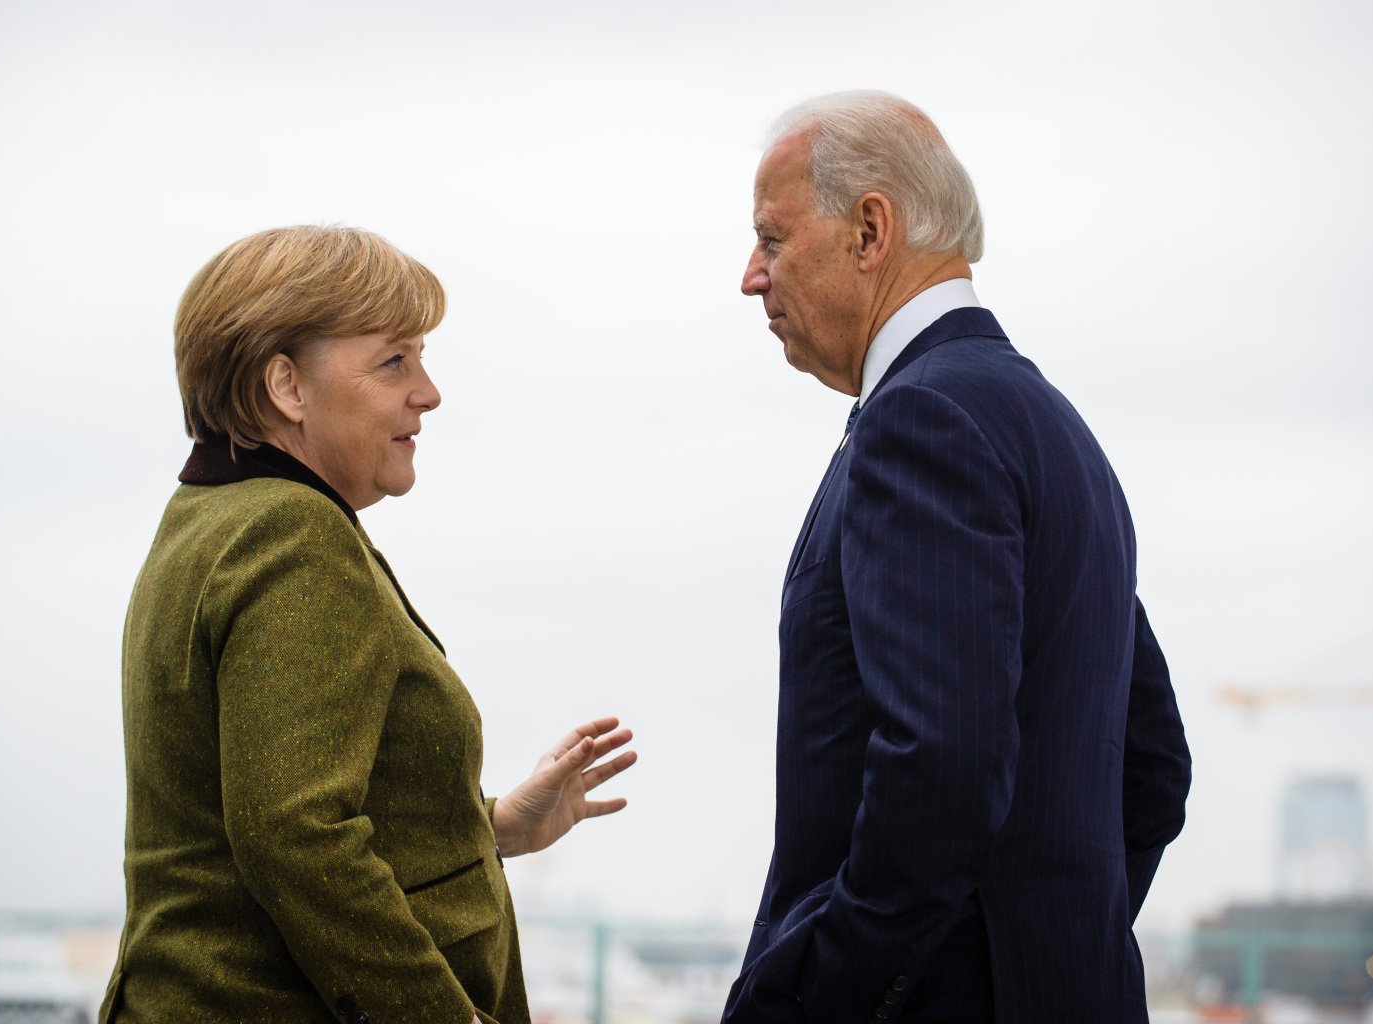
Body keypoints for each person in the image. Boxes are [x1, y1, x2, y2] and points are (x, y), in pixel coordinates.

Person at [720, 92, 1191, 1023]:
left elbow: (940, 765)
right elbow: (1150, 765)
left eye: (771, 239)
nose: (749, 276)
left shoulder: (921, 419)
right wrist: (1052, 937)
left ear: (869, 229)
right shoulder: (1054, 429)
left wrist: (826, 992)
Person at [101, 225, 636, 1024]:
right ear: (286, 386)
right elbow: (298, 836)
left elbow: (264, 803)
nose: (428, 391)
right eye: (395, 361)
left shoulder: (207, 519)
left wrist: (482, 829)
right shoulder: (292, 535)